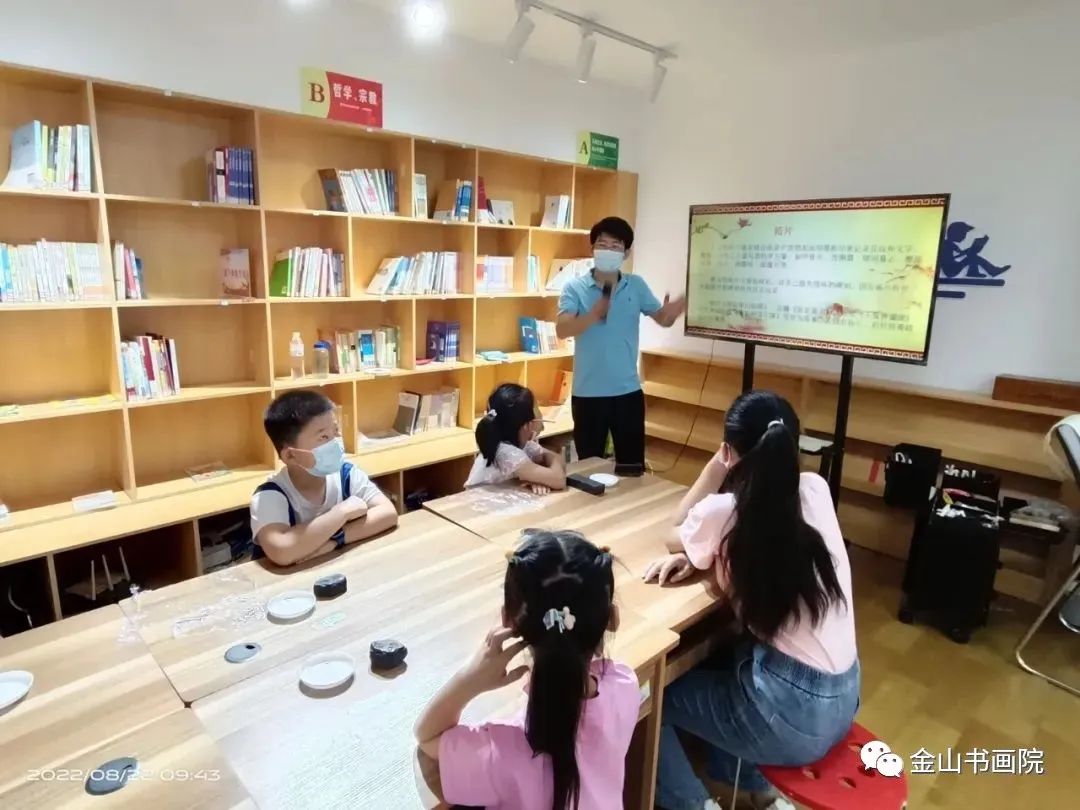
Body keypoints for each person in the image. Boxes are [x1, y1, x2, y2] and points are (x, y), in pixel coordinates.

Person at [643, 391, 859, 810]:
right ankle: (755, 788)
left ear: (729, 452)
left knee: (653, 702)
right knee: (732, 653)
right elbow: (777, 549)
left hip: (790, 713)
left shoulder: (724, 511)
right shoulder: (815, 489)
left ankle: (695, 804)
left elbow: (673, 530)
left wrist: (716, 466)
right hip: (845, 698)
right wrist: (714, 558)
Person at [414, 530, 638, 810]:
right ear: (612, 619)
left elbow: (426, 735)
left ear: (509, 621)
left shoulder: (501, 751)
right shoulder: (625, 685)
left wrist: (471, 679)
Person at [556, 216, 685, 466]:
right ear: (592, 249)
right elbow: (562, 330)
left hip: (628, 392)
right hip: (588, 394)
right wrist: (593, 315)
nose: (607, 250)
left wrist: (672, 313)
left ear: (626, 253)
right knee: (588, 468)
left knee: (632, 467)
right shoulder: (574, 287)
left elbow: (662, 319)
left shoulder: (635, 285)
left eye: (615, 246)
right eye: (602, 244)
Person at [250, 390, 398, 566]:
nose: (335, 443)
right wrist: (342, 512)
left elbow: (388, 513)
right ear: (290, 455)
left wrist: (336, 540)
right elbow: (282, 551)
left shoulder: (346, 474)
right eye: (323, 437)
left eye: (336, 432)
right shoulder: (269, 495)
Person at [466, 383, 567, 493]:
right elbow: (559, 480)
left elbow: (559, 460)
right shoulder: (506, 452)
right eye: (537, 409)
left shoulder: (525, 445)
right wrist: (543, 475)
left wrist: (538, 477)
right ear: (527, 425)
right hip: (476, 499)